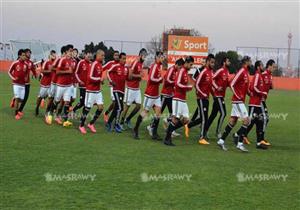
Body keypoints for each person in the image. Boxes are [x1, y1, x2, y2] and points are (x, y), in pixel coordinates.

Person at [217, 56, 251, 152]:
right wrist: (238, 95)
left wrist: (248, 93)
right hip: (238, 101)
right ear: (246, 62)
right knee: (247, 120)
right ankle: (240, 143)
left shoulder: (245, 72)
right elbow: (232, 84)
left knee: (233, 121)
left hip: (239, 101)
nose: (251, 63)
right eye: (250, 61)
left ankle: (221, 140)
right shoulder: (241, 71)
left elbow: (243, 87)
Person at [133, 51, 164, 140]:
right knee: (145, 112)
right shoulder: (154, 66)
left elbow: (156, 79)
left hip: (156, 95)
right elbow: (151, 78)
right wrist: (160, 79)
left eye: (163, 57)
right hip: (150, 94)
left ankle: (154, 132)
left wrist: (159, 80)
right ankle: (136, 129)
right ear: (157, 57)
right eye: (161, 57)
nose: (163, 58)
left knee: (158, 112)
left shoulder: (159, 66)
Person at [164, 56, 194, 146]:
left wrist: (188, 88)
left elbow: (184, 85)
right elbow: (177, 84)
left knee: (186, 120)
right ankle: (167, 139)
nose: (191, 66)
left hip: (183, 99)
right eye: (191, 65)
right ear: (187, 63)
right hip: (177, 98)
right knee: (175, 119)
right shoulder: (181, 71)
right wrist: (187, 87)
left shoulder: (185, 72)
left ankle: (170, 130)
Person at [185, 54, 214, 145]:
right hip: (201, 98)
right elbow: (196, 84)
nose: (213, 64)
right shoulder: (204, 71)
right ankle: (201, 138)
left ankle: (188, 125)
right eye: (212, 62)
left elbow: (210, 86)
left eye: (214, 62)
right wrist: (202, 94)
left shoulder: (210, 72)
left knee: (202, 117)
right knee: (204, 118)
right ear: (208, 62)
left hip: (206, 98)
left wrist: (213, 95)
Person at [46, 44, 74, 127]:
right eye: (70, 51)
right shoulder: (62, 60)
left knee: (67, 102)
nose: (71, 53)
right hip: (60, 85)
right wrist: (67, 72)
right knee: (56, 101)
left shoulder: (72, 61)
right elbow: (57, 72)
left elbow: (72, 72)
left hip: (68, 86)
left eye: (72, 51)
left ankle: (66, 121)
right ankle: (49, 115)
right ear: (65, 52)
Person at [79, 50, 105, 134]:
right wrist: (99, 79)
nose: (103, 57)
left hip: (98, 91)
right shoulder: (94, 64)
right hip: (90, 90)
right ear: (97, 55)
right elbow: (89, 77)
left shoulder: (100, 65)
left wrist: (101, 81)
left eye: (104, 56)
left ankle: (91, 124)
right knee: (87, 109)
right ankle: (81, 125)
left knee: (101, 108)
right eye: (102, 55)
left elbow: (98, 78)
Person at [120, 48, 147, 129]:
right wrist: (139, 76)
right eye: (144, 56)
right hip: (130, 88)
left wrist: (140, 77)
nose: (145, 58)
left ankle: (128, 119)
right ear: (140, 55)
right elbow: (130, 75)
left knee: (138, 106)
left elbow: (139, 75)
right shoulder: (135, 62)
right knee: (127, 107)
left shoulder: (141, 64)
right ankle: (121, 122)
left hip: (137, 89)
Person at [246, 60, 269, 149]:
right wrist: (262, 93)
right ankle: (238, 135)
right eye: (262, 65)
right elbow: (253, 87)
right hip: (253, 103)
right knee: (249, 121)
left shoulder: (260, 76)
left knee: (260, 120)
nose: (263, 66)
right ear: (258, 67)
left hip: (258, 104)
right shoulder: (257, 75)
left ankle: (259, 142)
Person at [205, 57, 230, 138]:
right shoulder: (220, 70)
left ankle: (205, 130)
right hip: (218, 96)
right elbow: (212, 79)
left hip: (221, 96)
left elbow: (227, 83)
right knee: (223, 113)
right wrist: (216, 87)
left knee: (213, 115)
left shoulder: (227, 71)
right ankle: (218, 132)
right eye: (228, 61)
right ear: (224, 62)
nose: (229, 62)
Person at [160, 58, 184, 137]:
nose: (180, 69)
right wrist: (174, 83)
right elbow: (166, 80)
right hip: (165, 94)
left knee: (173, 113)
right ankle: (151, 126)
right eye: (180, 67)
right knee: (159, 112)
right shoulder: (171, 69)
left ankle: (170, 128)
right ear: (177, 64)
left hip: (170, 95)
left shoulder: (175, 71)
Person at [106, 52, 129, 133]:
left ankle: (109, 123)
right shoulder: (115, 66)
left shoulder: (126, 68)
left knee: (116, 108)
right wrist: (111, 81)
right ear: (119, 59)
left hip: (122, 90)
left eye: (125, 58)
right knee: (120, 108)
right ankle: (116, 125)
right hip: (116, 90)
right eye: (123, 58)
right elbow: (108, 72)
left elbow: (127, 78)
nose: (124, 60)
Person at [8, 49, 28, 120]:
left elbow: (25, 74)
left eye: (24, 55)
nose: (24, 56)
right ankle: (16, 113)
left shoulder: (26, 64)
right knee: (17, 98)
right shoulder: (15, 63)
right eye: (23, 55)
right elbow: (9, 72)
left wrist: (25, 78)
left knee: (21, 100)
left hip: (23, 85)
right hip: (16, 84)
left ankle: (14, 100)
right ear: (19, 56)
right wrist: (13, 78)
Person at [35, 50, 56, 116]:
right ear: (49, 55)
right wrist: (49, 71)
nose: (54, 56)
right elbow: (42, 71)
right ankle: (37, 107)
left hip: (52, 84)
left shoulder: (56, 63)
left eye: (55, 55)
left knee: (51, 98)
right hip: (45, 83)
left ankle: (47, 111)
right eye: (53, 55)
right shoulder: (46, 62)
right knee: (40, 96)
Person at [17, 48, 37, 113]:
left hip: (27, 83)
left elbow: (33, 70)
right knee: (20, 97)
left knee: (25, 98)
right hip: (20, 82)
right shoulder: (21, 61)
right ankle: (18, 110)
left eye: (30, 53)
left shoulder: (31, 63)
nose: (29, 54)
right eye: (28, 53)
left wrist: (35, 74)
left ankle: (20, 110)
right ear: (25, 54)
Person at [103, 50, 120, 122]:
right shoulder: (110, 63)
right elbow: (102, 68)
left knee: (118, 103)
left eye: (118, 55)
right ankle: (106, 113)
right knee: (114, 102)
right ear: (113, 56)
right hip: (112, 86)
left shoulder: (121, 64)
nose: (116, 56)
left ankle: (116, 117)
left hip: (120, 87)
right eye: (115, 55)